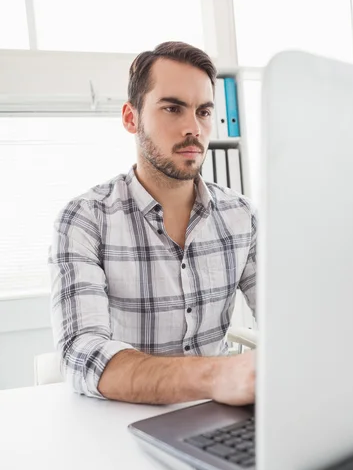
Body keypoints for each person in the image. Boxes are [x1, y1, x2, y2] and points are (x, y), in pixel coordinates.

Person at [48, 41, 256, 406]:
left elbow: (292, 322)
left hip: (223, 416)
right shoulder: (84, 219)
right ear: (131, 118)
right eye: (173, 108)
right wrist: (215, 375)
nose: (193, 128)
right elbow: (83, 354)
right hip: (122, 422)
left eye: (204, 111)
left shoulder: (242, 216)